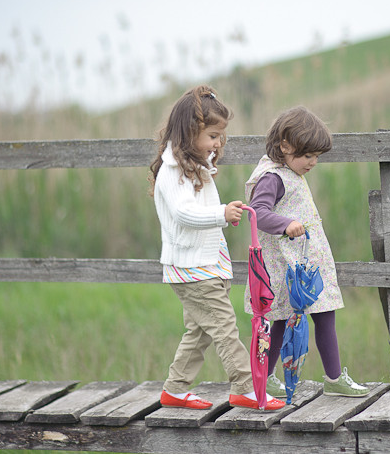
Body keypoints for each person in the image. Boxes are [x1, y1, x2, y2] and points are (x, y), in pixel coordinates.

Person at [149, 85, 285, 411]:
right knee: (224, 328)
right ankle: (246, 388)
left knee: (200, 332)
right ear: (189, 132)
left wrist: (223, 212)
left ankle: (175, 389)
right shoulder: (173, 171)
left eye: (220, 136)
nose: (217, 143)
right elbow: (184, 213)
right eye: (212, 135)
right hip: (193, 268)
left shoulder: (195, 167)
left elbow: (200, 212)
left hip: (206, 265)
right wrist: (220, 213)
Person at [244, 106, 370, 398]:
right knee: (279, 319)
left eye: (316, 156)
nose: (313, 162)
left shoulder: (289, 171)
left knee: (324, 313)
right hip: (287, 267)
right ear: (285, 146)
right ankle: (268, 376)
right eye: (307, 155)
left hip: (306, 263)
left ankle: (334, 377)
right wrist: (286, 223)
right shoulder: (272, 177)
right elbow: (257, 213)